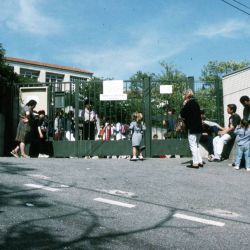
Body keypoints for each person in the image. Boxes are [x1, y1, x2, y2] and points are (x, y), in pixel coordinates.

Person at [180, 89, 203, 168]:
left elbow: (182, 114)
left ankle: (195, 163)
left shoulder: (188, 103)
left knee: (192, 145)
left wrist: (184, 105)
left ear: (186, 95)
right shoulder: (196, 103)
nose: (183, 96)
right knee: (196, 145)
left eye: (183, 95)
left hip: (192, 127)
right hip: (199, 127)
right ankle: (200, 161)